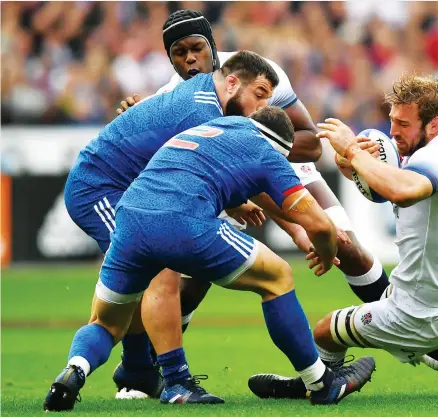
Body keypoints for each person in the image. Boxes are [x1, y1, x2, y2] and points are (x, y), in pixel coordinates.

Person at [114, 9, 390, 400]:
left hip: (283, 166)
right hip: (221, 184)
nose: (190, 59)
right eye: (178, 53)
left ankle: (407, 326)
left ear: (212, 46)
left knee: (346, 247)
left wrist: (259, 151)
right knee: (184, 284)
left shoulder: (260, 74)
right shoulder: (170, 100)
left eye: (196, 48)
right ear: (169, 58)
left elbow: (310, 140)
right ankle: (149, 371)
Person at [44, 107, 376, 412]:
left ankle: (75, 370)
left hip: (129, 217)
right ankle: (321, 383)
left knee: (105, 322)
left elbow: (205, 171)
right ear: (283, 149)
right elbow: (319, 224)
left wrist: (235, 201)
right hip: (182, 221)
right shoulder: (270, 155)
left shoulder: (218, 125)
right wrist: (327, 250)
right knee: (277, 277)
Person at [247, 74, 438, 399]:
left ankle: (319, 385)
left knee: (323, 333)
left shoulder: (437, 159)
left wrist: (352, 150)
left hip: (423, 310)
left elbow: (402, 190)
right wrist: (352, 165)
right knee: (380, 291)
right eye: (392, 120)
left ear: (432, 124)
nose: (393, 131)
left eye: (403, 124)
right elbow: (388, 185)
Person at [62, 50, 280, 401]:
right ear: (233, 81)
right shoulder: (204, 111)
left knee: (145, 276)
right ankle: (173, 380)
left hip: (133, 190)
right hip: (99, 187)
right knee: (158, 271)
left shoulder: (203, 97)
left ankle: (136, 370)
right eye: (259, 95)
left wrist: (235, 201)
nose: (259, 109)